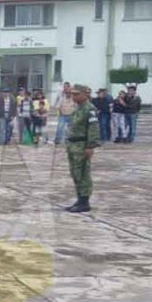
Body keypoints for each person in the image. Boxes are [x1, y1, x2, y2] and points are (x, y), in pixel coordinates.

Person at [64, 85, 100, 213]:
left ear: (85, 94)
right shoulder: (78, 108)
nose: (73, 96)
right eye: (72, 94)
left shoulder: (89, 109)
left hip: (82, 145)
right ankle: (80, 199)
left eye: (76, 94)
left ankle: (84, 201)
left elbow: (93, 128)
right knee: (75, 173)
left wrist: (90, 146)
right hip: (73, 145)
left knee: (83, 173)